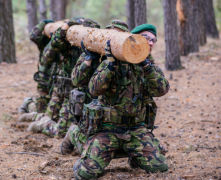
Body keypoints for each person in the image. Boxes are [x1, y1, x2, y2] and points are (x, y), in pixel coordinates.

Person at [61, 23, 170, 179]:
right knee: (86, 174)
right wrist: (110, 65)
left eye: (154, 40)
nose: (151, 43)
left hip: (135, 128)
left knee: (160, 168)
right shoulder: (105, 59)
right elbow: (93, 90)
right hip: (107, 128)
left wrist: (146, 65)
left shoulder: (148, 64)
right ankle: (75, 134)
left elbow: (162, 89)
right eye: (146, 38)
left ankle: (135, 155)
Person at [20, 19, 101, 139]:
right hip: (65, 88)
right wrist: (66, 26)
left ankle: (42, 118)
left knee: (65, 122)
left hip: (83, 91)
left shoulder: (98, 46)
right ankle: (42, 122)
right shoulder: (68, 41)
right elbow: (53, 45)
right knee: (59, 127)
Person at [18, 19, 59, 114]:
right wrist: (45, 23)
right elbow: (33, 35)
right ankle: (28, 102)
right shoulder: (45, 41)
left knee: (53, 114)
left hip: (57, 84)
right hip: (45, 81)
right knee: (39, 112)